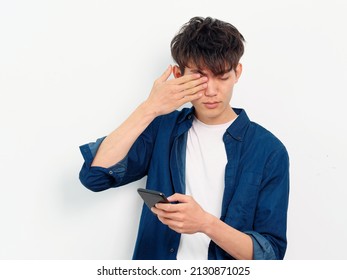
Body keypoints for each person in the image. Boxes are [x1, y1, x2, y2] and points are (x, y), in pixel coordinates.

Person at [79, 16, 290, 260]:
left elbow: (271, 255)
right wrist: (149, 108)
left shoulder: (268, 151)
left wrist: (205, 223)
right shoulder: (162, 129)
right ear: (179, 75)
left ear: (237, 72)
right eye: (199, 77)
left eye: (222, 76)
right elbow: (94, 177)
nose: (211, 91)